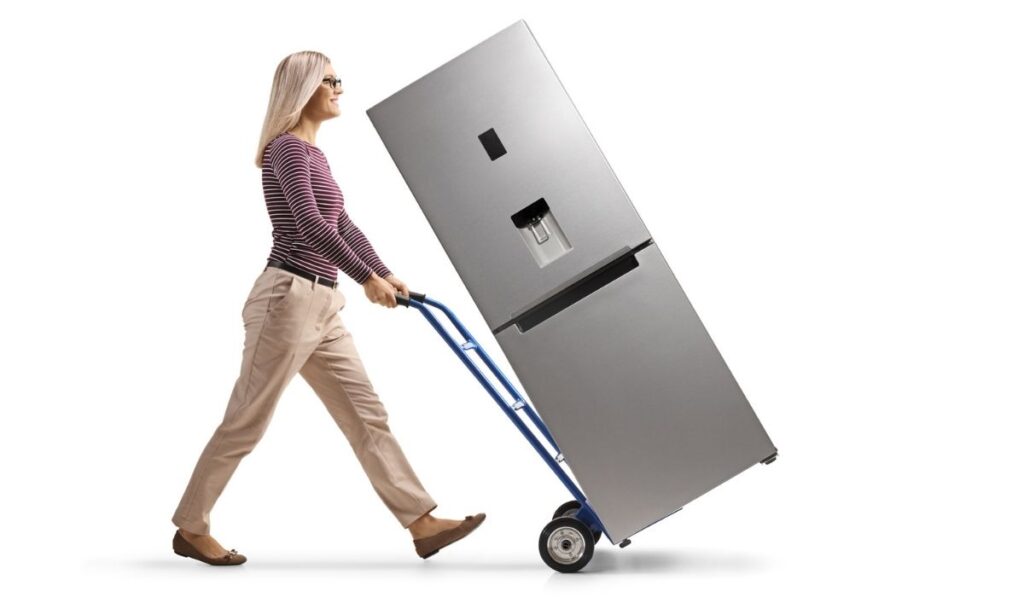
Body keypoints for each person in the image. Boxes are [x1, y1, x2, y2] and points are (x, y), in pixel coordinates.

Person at [170, 50, 485, 566]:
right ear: (303, 89)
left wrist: (382, 271)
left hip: (322, 305)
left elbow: (343, 224)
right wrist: (366, 279)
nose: (339, 87)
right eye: (329, 80)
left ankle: (421, 522)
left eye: (340, 79)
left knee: (367, 414)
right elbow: (312, 227)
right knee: (247, 420)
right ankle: (190, 526)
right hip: (286, 300)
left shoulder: (314, 154)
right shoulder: (287, 151)